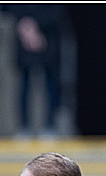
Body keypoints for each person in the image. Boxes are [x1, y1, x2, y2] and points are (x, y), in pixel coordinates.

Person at [5, 4, 67, 137]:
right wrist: (26, 26)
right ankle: (24, 127)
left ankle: (50, 126)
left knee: (50, 84)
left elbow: (58, 9)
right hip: (23, 36)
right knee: (24, 84)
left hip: (48, 35)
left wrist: (37, 25)